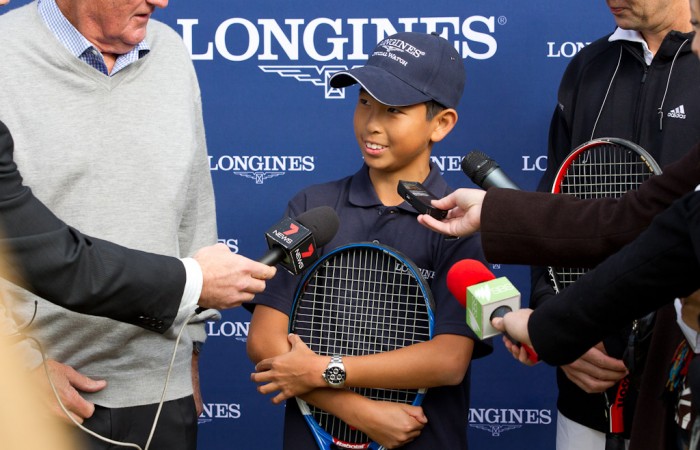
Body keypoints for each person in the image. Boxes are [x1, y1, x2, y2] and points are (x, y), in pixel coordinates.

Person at [0, 0, 230, 447]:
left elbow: (194, 206)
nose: (162, 2)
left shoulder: (173, 52)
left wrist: (191, 352)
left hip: (163, 392)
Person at [246, 32, 489, 450]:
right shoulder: (311, 205)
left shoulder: (462, 224)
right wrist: (360, 412)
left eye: (393, 110)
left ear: (441, 123)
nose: (371, 123)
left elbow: (449, 361)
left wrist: (326, 370)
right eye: (364, 103)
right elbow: (265, 342)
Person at [527, 0, 700, 447]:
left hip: (679, 382)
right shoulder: (587, 66)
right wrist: (556, 318)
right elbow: (556, 204)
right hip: (587, 384)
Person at [0, 119, 275, 330]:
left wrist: (190, 338)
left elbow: (193, 210)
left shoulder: (170, 52)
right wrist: (196, 280)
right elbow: (57, 259)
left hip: (163, 377)